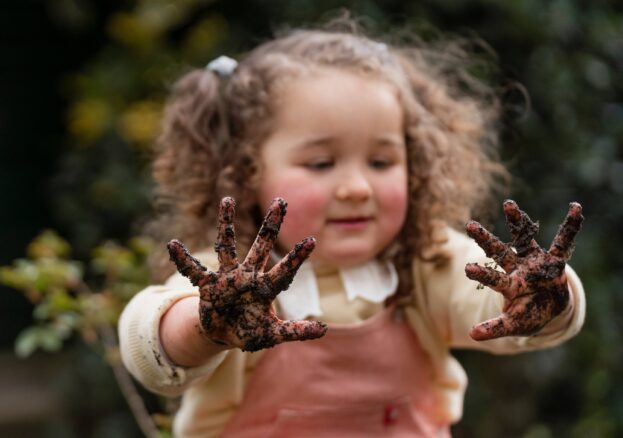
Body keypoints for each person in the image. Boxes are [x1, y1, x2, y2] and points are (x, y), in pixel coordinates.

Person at [119, 19, 585, 437]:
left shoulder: (427, 262)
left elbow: (496, 303)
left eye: (382, 161)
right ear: (245, 174)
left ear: (415, 165)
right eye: (321, 163)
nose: (358, 187)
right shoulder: (230, 282)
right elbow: (149, 347)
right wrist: (207, 324)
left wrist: (545, 296)